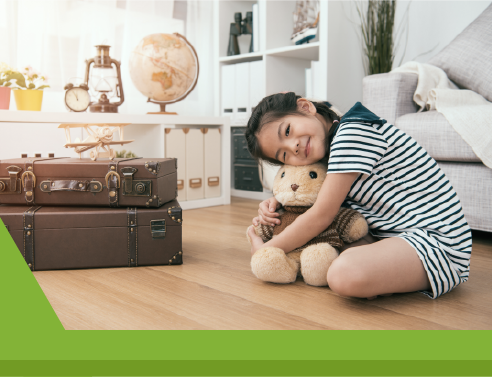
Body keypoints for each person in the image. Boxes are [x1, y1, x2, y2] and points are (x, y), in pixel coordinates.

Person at [245, 92, 472, 300]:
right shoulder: (330, 148)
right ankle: (381, 276)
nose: (292, 147)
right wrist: (279, 201)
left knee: (341, 274)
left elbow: (321, 215)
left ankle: (382, 279)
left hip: (438, 243)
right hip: (396, 237)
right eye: (284, 154)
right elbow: (313, 189)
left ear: (305, 107)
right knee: (334, 247)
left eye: (287, 131)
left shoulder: (353, 132)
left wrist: (267, 249)